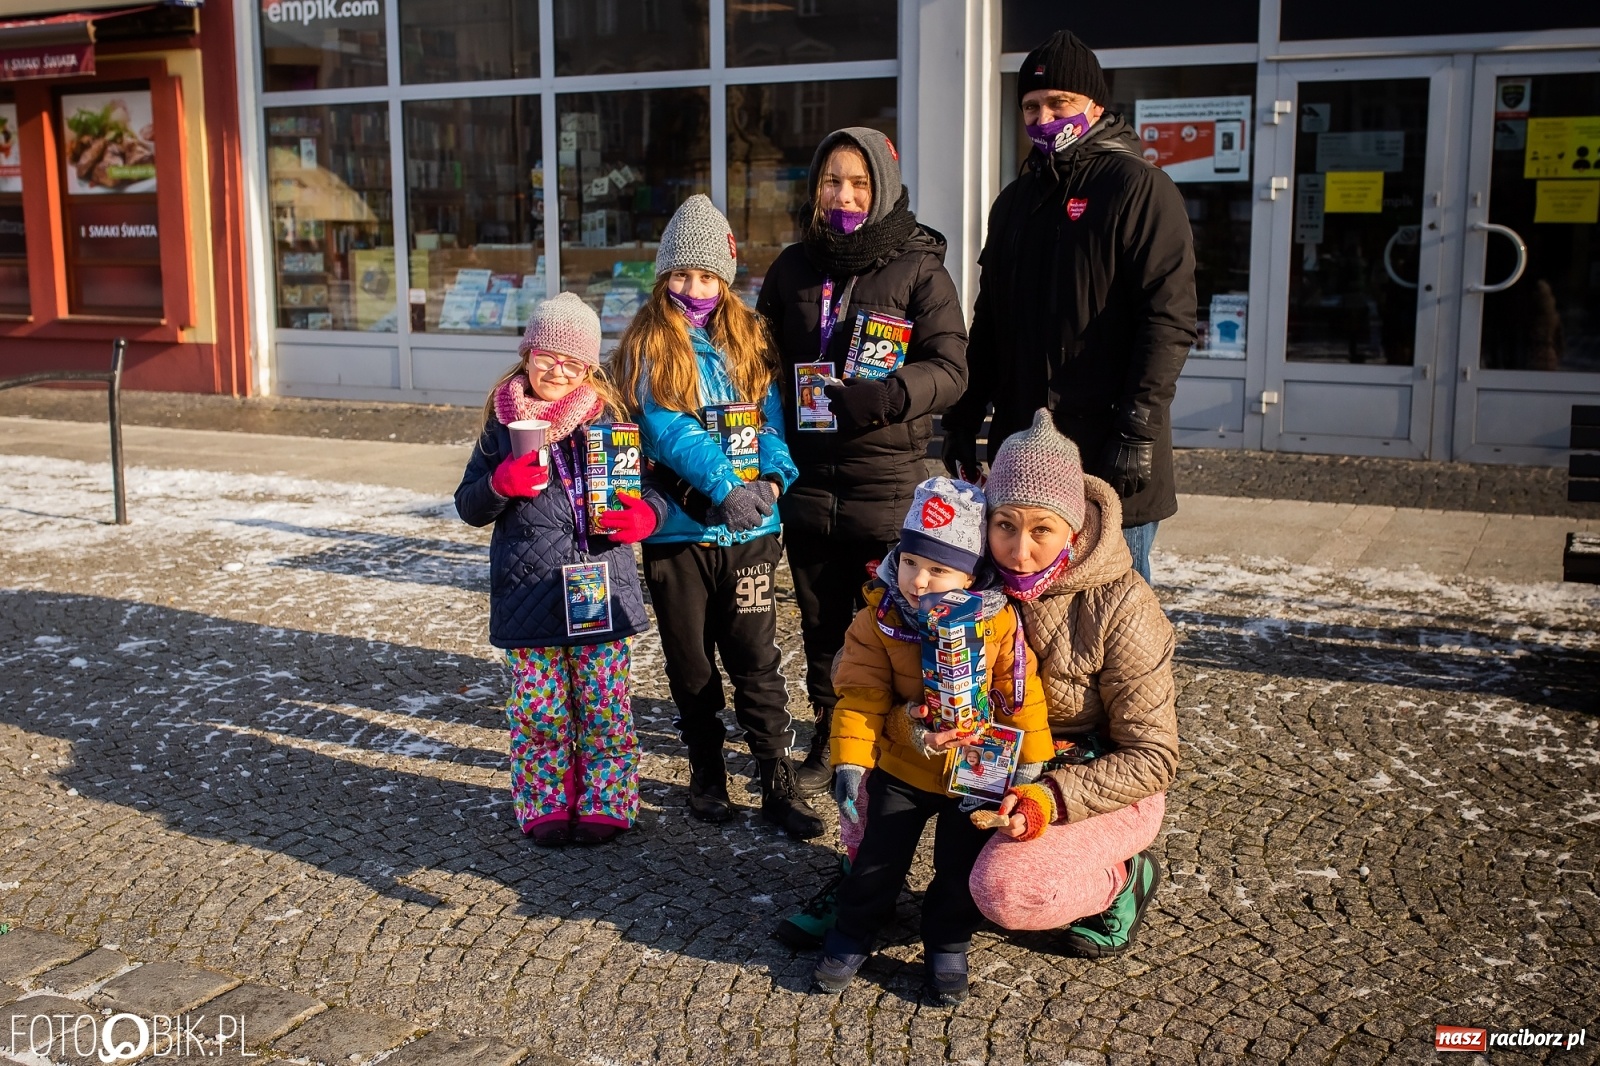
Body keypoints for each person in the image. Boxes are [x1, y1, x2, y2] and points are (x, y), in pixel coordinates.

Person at [757, 126, 969, 795]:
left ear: (882, 188)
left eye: (857, 183)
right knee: (822, 624)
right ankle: (830, 728)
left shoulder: (919, 267)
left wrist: (889, 395)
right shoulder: (792, 268)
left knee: (889, 623)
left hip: (886, 481)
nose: (842, 195)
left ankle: (894, 737)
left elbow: (953, 368)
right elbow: (758, 359)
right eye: (830, 181)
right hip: (809, 482)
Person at [941, 29, 1196, 584]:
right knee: (1026, 620)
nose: (1044, 117)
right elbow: (991, 326)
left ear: (1095, 107)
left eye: (1060, 103)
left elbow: (1169, 320)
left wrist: (1137, 431)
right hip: (1025, 453)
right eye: (1032, 106)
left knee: (1112, 614)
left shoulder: (1139, 188)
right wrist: (963, 418)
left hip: (1110, 448)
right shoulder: (1015, 202)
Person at [610, 194, 824, 839]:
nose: (692, 288)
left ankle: (776, 780)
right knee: (692, 666)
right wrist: (726, 485)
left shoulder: (750, 338)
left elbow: (771, 425)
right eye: (680, 274)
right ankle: (707, 773)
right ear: (663, 276)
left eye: (706, 276)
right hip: (678, 533)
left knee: (757, 663)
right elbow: (665, 427)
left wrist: (773, 479)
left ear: (725, 280)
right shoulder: (648, 342)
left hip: (751, 534)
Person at [810, 478, 1052, 1005]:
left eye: (939, 569)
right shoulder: (878, 620)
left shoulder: (998, 623)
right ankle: (853, 933)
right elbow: (859, 697)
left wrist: (1033, 762)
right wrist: (850, 761)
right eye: (911, 562)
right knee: (879, 858)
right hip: (904, 766)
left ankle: (947, 942)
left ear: (972, 574)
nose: (919, 581)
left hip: (977, 772)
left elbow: (1022, 693)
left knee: (958, 866)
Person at [454, 292, 662, 847]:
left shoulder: (610, 416)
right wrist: (500, 484)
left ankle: (608, 798)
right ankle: (545, 800)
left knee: (604, 705)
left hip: (599, 587)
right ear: (527, 354)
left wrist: (646, 514)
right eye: (547, 355)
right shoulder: (502, 427)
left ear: (589, 367)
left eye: (572, 362)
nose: (557, 370)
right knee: (539, 711)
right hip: (532, 594)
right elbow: (468, 505)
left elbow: (652, 489)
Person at [968, 409, 1178, 957]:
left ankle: (1124, 879)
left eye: (1042, 529)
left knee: (1006, 892)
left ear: (1074, 528)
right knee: (868, 778)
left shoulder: (1123, 603)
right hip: (993, 760)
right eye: (1005, 525)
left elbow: (1153, 756)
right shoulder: (965, 580)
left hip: (1093, 775)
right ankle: (857, 892)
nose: (1019, 550)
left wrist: (1053, 796)